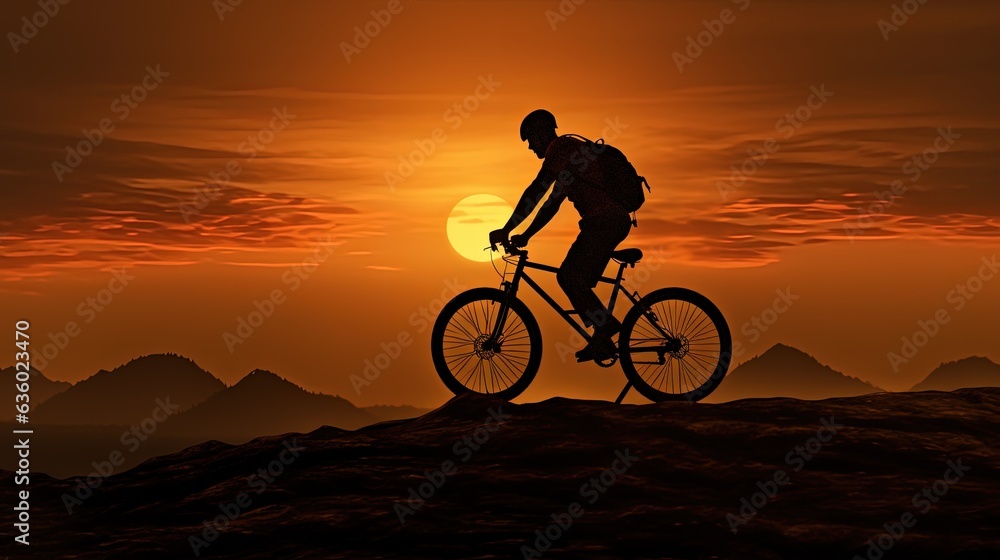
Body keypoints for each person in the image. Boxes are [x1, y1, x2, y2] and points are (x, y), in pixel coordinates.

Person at [489, 109, 632, 362]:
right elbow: (550, 204)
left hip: (604, 222)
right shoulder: (569, 158)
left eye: (531, 140)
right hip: (605, 222)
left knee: (569, 276)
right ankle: (603, 335)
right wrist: (526, 234)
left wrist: (507, 228)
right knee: (572, 278)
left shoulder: (562, 148)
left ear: (542, 133)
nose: (531, 148)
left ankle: (605, 328)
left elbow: (537, 189)